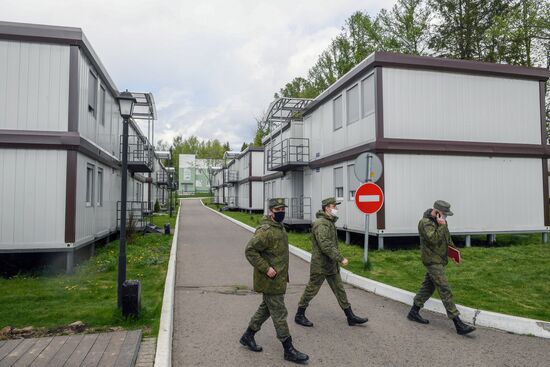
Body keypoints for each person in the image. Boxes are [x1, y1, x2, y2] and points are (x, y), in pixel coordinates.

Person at [239, 198, 309, 364]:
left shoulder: (279, 227)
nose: (281, 213)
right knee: (279, 313)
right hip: (269, 279)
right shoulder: (266, 231)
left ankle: (248, 336)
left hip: (279, 279)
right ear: (271, 212)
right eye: (277, 210)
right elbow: (250, 251)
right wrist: (266, 268)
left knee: (266, 309)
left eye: (283, 209)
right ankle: (288, 349)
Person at [294, 197, 368, 327]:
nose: (336, 209)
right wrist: (340, 258)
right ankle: (299, 315)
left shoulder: (329, 222)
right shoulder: (321, 223)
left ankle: (350, 316)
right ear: (327, 207)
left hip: (330, 265)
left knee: (339, 290)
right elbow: (325, 245)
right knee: (312, 290)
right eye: (334, 206)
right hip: (321, 265)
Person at [407, 200, 476, 335]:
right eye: (445, 214)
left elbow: (446, 239)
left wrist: (455, 252)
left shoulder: (441, 222)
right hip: (432, 261)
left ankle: (413, 312)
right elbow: (433, 240)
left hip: (439, 259)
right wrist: (442, 225)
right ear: (437, 212)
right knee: (444, 289)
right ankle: (458, 324)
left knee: (428, 287)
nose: (446, 217)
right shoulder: (425, 223)